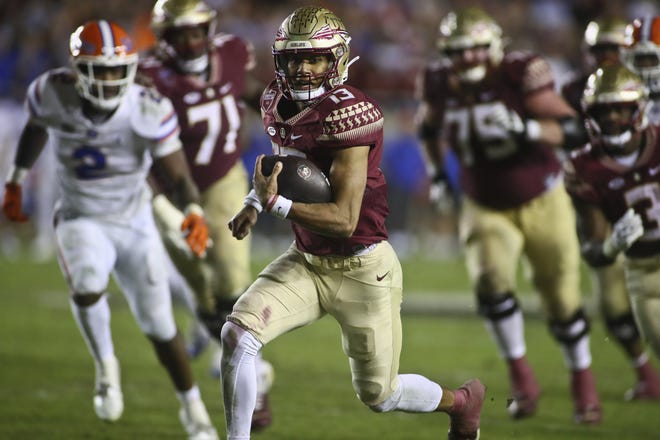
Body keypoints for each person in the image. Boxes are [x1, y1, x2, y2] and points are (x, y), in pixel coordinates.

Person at [221, 6, 485, 440]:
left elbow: (344, 220)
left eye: (315, 59)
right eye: (294, 59)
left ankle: (460, 403)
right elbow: (288, 168)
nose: (303, 70)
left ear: (338, 59)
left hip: (363, 268)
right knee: (237, 336)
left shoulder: (351, 114)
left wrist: (275, 206)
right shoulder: (275, 100)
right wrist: (255, 201)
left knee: (380, 394)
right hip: (306, 261)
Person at [1, 20, 218, 440]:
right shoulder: (51, 91)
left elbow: (178, 174)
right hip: (81, 216)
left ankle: (192, 407)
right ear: (78, 68)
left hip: (135, 220)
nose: (109, 78)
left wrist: (191, 209)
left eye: (117, 69)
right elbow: (35, 127)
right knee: (86, 282)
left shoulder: (147, 107)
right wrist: (14, 178)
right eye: (98, 69)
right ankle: (106, 367)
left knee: (159, 325)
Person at [416, 6, 602, 424]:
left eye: (478, 50)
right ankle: (522, 378)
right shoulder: (438, 81)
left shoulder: (520, 73)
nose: (469, 60)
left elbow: (572, 129)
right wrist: (439, 177)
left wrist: (527, 129)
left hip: (542, 196)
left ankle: (582, 379)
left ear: (495, 46)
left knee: (562, 297)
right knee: (490, 283)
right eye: (460, 51)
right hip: (483, 201)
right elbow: (427, 129)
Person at [137, 0, 274, 430]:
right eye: (183, 33)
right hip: (168, 190)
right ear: (166, 37)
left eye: (198, 31)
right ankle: (209, 326)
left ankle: (258, 380)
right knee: (200, 284)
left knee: (233, 280)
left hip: (221, 179)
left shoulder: (231, 53)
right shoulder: (149, 76)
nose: (193, 42)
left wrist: (282, 120)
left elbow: (251, 92)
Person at [561, 17, 660, 401]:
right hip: (633, 249)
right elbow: (594, 243)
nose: (608, 57)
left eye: (613, 49)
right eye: (599, 50)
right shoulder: (585, 161)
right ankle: (645, 374)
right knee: (612, 301)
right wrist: (611, 246)